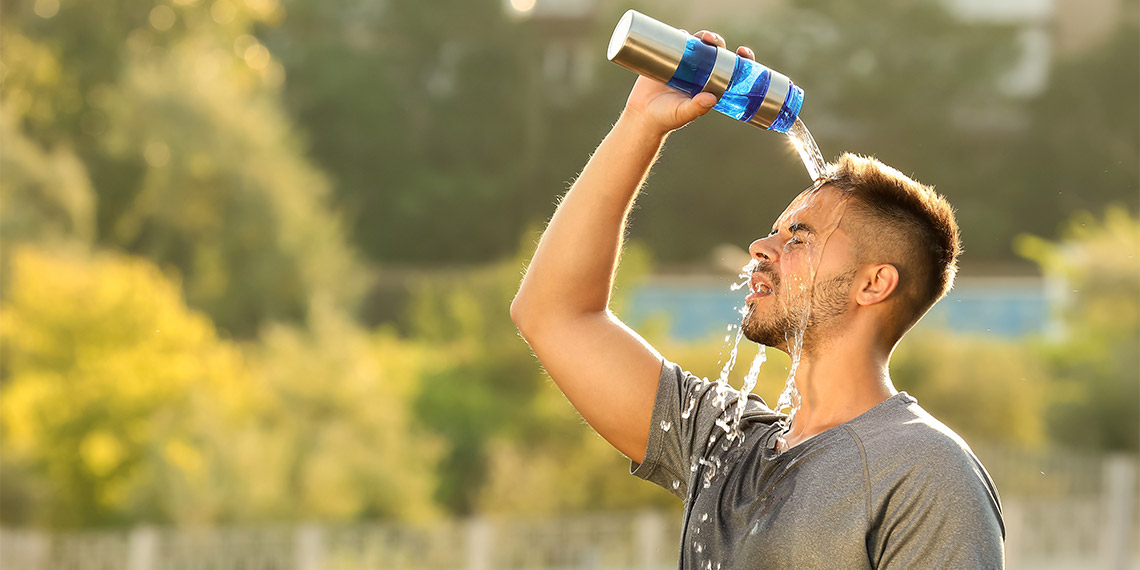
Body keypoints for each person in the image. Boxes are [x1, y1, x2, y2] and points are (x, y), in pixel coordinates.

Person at [509, 29, 1005, 569]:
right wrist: (640, 123)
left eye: (799, 237)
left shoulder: (923, 472)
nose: (760, 248)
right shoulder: (724, 445)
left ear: (873, 284)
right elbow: (554, 313)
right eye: (775, 232)